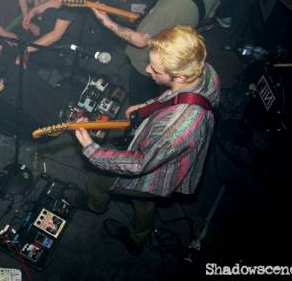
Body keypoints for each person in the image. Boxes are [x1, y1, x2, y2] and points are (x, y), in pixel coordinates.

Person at [74, 25, 220, 255]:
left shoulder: (176, 130)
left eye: (155, 69)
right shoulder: (205, 71)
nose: (147, 69)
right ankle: (138, 236)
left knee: (97, 181)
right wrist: (148, 106)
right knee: (145, 200)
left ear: (180, 75)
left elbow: (139, 164)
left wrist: (91, 149)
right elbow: (177, 95)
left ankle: (96, 205)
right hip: (161, 170)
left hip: (153, 167)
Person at [94, 0, 220, 104]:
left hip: (146, 63)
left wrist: (107, 22)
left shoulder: (171, 7)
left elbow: (139, 41)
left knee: (140, 101)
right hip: (172, 51)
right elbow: (210, 17)